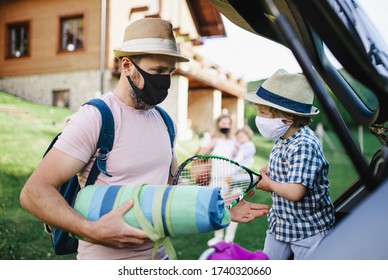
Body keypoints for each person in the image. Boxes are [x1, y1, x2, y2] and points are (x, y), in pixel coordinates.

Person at [19, 18, 268, 260]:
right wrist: (91, 230)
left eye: (169, 72)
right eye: (158, 71)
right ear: (126, 66)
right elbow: (34, 192)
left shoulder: (164, 121)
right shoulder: (95, 118)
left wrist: (220, 206)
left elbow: (173, 188)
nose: (164, 81)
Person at [246, 69, 335, 260]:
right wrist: (271, 170)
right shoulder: (283, 136)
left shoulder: (304, 144)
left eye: (263, 112)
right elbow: (285, 163)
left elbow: (295, 192)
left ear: (286, 119)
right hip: (281, 225)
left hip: (308, 231)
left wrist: (269, 184)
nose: (258, 117)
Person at [196, 114, 241, 246]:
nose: (226, 126)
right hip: (217, 180)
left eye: (228, 123)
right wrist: (210, 144)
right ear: (218, 124)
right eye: (223, 123)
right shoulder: (212, 139)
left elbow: (244, 157)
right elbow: (198, 156)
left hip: (234, 179)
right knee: (218, 209)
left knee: (234, 209)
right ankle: (218, 236)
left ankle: (229, 239)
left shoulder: (235, 141)